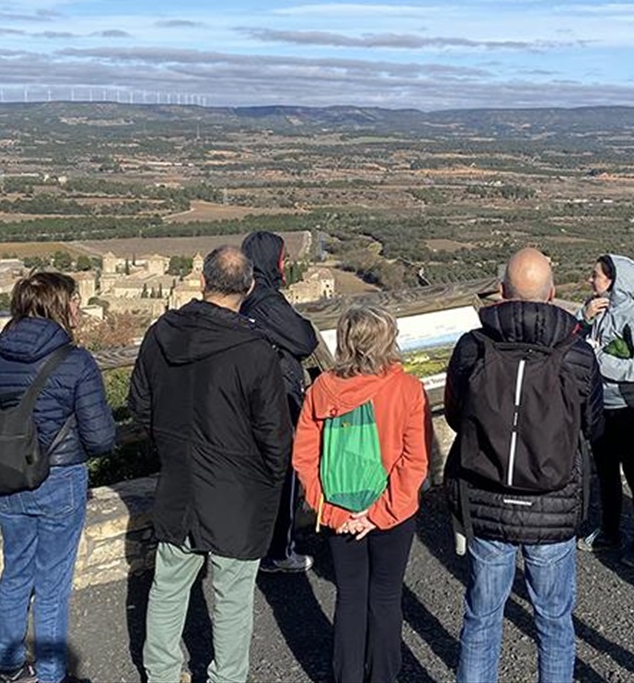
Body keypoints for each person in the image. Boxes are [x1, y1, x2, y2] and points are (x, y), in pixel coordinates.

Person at [128, 246, 292, 683]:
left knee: (168, 586)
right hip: (238, 490)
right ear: (250, 287)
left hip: (179, 480)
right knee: (233, 597)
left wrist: (168, 446)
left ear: (202, 281)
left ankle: (161, 673)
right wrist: (272, 480)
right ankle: (226, 678)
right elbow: (274, 432)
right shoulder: (255, 350)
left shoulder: (161, 333)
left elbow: (140, 404)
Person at [444, 247, 604, 683]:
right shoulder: (577, 354)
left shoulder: (472, 347)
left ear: (501, 292)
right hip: (551, 503)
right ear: (552, 294)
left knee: (481, 619)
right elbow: (593, 425)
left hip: (487, 498)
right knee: (554, 623)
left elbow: (458, 417)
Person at [0, 271, 116, 683]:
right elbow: (100, 438)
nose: (80, 307)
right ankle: (50, 674)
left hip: (6, 479)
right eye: (75, 300)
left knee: (15, 574)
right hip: (60, 479)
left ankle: (9, 666)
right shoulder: (76, 361)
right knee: (52, 584)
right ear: (58, 306)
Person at [291, 304, 430, 683]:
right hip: (393, 515)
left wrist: (332, 511)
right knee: (385, 597)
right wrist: (380, 514)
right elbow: (415, 461)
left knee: (350, 597)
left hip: (339, 508)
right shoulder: (407, 390)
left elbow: (305, 457)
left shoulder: (321, 390)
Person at [241, 230, 319, 574]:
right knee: (283, 475)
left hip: (246, 398)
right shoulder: (268, 300)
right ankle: (277, 552)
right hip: (277, 399)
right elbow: (303, 339)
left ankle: (252, 547)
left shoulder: (241, 294)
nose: (285, 264)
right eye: (283, 258)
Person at [576, 254, 634, 568]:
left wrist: (599, 361)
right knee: (606, 472)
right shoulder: (594, 309)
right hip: (601, 406)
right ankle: (610, 531)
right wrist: (583, 316)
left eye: (595, 275)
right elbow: (571, 336)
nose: (590, 280)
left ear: (613, 281)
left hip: (631, 408)